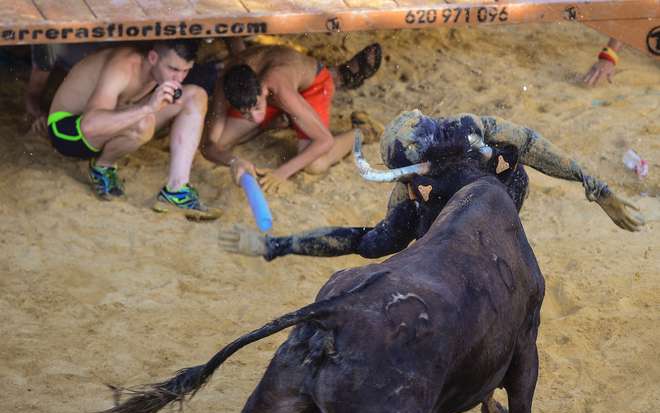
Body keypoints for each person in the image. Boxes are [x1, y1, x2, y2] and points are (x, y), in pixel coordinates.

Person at [220, 110, 644, 260]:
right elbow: (367, 242)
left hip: (494, 204)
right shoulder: (412, 192)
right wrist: (274, 246)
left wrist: (596, 186)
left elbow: (530, 145)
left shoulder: (471, 135)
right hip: (471, 216)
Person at [47, 39, 220, 219]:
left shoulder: (158, 71)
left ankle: (177, 190)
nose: (179, 78)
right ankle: (103, 167)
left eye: (186, 71)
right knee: (142, 122)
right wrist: (148, 108)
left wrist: (149, 108)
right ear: (153, 58)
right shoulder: (124, 66)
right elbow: (89, 127)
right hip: (68, 131)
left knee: (196, 95)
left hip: (110, 122)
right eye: (173, 69)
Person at [202, 43, 383, 193]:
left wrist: (282, 173)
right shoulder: (223, 86)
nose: (254, 118)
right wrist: (234, 161)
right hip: (274, 82)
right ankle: (281, 118)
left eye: (257, 108)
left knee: (315, 164)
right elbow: (209, 145)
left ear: (264, 91)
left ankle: (362, 130)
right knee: (223, 142)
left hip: (310, 84)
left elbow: (325, 141)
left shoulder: (279, 89)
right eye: (245, 112)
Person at [26, 43, 108, 137]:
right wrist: (39, 115)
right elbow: (34, 92)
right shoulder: (48, 39)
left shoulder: (116, 38)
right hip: (69, 90)